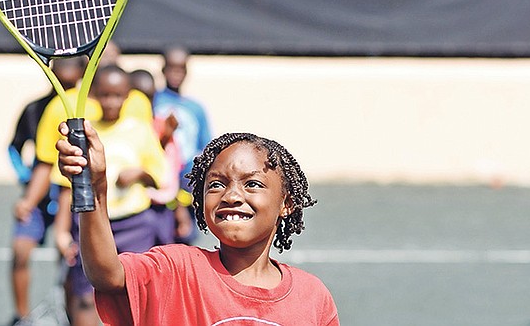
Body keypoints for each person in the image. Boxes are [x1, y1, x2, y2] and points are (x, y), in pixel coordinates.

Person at [56, 126, 341, 325]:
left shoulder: (313, 296)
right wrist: (95, 189)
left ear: (286, 203)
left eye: (252, 184)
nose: (231, 196)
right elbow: (107, 274)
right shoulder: (176, 268)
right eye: (216, 184)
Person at [54, 65, 170, 326]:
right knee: (85, 296)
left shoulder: (140, 130)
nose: (110, 101)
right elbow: (65, 185)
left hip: (135, 224)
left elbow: (161, 176)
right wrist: (62, 231)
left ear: (128, 96)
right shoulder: (84, 133)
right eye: (104, 95)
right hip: (93, 224)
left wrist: (139, 174)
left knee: (135, 296)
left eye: (117, 95)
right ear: (93, 94)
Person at [7, 58, 86, 324]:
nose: (64, 72)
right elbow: (16, 148)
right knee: (20, 250)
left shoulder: (88, 107)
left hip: (72, 197)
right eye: (59, 66)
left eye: (71, 66)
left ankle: (70, 313)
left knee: (68, 257)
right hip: (40, 194)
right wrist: (28, 182)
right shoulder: (35, 109)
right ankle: (21, 316)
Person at [153, 46, 212, 242]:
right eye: (171, 68)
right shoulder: (153, 101)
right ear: (163, 70)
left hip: (187, 182)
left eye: (181, 69)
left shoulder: (196, 108)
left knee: (186, 237)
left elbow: (205, 147)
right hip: (160, 180)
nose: (176, 73)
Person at [129, 68, 195, 242]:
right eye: (140, 98)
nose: (146, 105)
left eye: (150, 98)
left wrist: (180, 210)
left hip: (163, 209)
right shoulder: (124, 131)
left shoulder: (161, 125)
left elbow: (169, 174)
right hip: (132, 213)